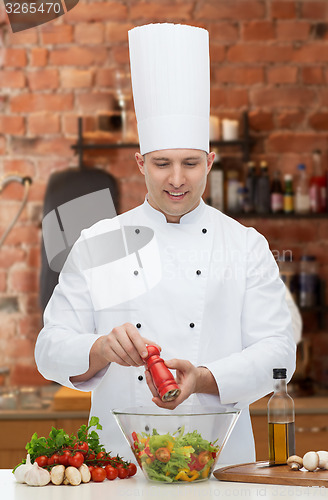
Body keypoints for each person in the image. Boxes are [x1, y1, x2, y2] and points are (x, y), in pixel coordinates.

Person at [35, 23, 296, 465]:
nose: (177, 179)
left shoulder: (245, 245)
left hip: (219, 468)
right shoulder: (99, 241)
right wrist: (99, 350)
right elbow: (49, 347)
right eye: (161, 164)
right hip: (118, 469)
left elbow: (279, 352)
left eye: (191, 163)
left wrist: (205, 377)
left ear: (210, 162)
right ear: (140, 162)